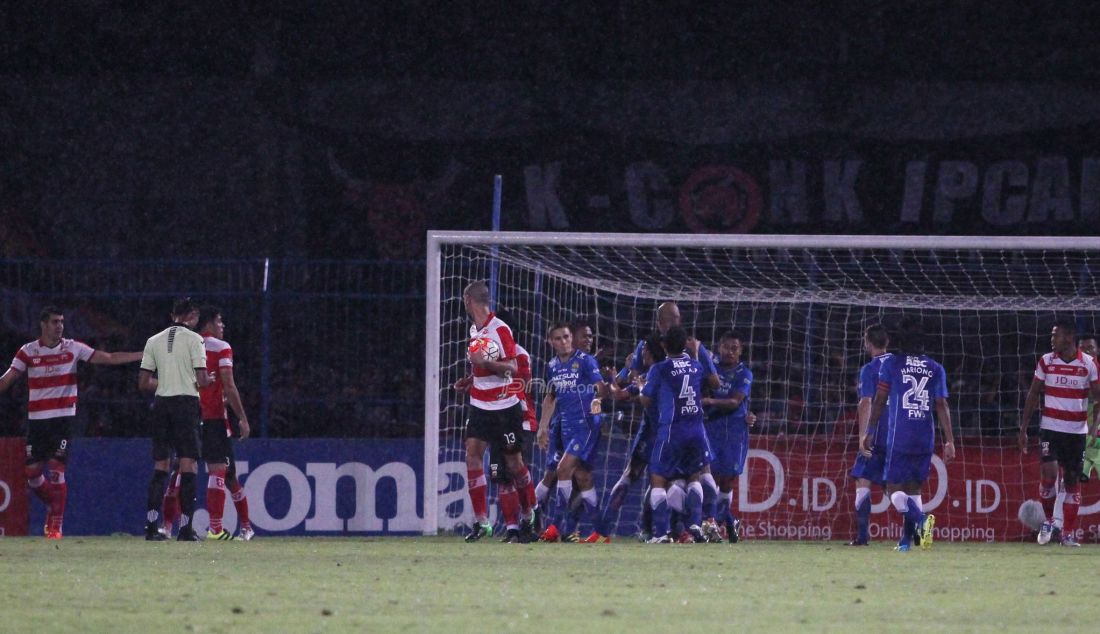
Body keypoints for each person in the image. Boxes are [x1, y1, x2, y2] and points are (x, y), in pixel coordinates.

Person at [0, 306, 142, 539]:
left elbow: (108, 358)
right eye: (55, 322)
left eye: (62, 322)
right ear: (43, 325)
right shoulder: (27, 351)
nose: (60, 326)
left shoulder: (73, 348)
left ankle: (56, 524)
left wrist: (141, 355)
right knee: (32, 473)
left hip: (63, 419)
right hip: (37, 422)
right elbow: (7, 380)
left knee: (57, 469)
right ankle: (52, 505)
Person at [865, 318, 955, 552]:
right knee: (914, 489)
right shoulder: (935, 367)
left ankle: (922, 520)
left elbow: (880, 400)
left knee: (893, 490)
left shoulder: (892, 364)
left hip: (900, 436)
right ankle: (906, 542)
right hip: (925, 437)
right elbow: (942, 405)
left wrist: (871, 430)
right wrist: (950, 441)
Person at [451, 281, 530, 542]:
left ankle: (529, 513)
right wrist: (471, 379)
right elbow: (482, 368)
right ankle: (481, 521)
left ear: (468, 300)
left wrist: (484, 362)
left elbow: (512, 368)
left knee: (513, 464)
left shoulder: (500, 329)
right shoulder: (475, 330)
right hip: (480, 405)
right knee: (472, 455)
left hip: (504, 408)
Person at [1018, 320, 1100, 547]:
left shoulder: (1089, 364)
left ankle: (1068, 533)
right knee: (1049, 474)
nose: (1052, 339)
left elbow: (1098, 397)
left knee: (1072, 481)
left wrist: (1093, 427)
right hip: (1050, 430)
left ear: (1069, 337)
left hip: (1076, 433)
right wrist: (1023, 428)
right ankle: (1050, 521)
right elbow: (1034, 394)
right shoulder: (1046, 361)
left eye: (1056, 335)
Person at [139, 298, 213, 541]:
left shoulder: (153, 340)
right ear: (192, 316)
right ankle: (184, 529)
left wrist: (167, 383)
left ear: (173, 315)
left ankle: (151, 527)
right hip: (185, 405)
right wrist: (207, 381)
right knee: (188, 465)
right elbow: (201, 380)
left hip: (161, 405)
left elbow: (143, 382)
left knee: (161, 466)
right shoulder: (195, 340)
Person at [536, 321, 608, 542]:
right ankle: (602, 532)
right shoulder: (552, 366)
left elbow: (601, 388)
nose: (564, 342)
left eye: (566, 337)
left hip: (585, 425)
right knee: (582, 476)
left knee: (562, 469)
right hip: (566, 426)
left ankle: (554, 527)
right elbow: (550, 397)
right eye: (558, 338)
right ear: (551, 342)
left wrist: (595, 407)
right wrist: (542, 427)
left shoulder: (586, 361)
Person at [639, 327, 712, 543]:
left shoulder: (660, 369)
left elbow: (646, 400)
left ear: (663, 346)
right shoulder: (696, 365)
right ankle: (696, 525)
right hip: (697, 430)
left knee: (658, 479)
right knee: (693, 477)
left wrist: (642, 386)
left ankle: (661, 534)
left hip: (672, 431)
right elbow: (700, 378)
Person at [192, 305, 253, 540]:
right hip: (214, 418)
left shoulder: (189, 346)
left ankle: (167, 526)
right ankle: (217, 529)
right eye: (219, 322)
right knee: (220, 472)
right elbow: (229, 383)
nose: (222, 326)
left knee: (185, 470)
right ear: (209, 324)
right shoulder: (221, 348)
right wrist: (242, 418)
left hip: (191, 416)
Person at [701, 332, 754, 543]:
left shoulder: (744, 373)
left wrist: (709, 401)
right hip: (710, 427)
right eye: (726, 347)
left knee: (727, 481)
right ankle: (715, 522)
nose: (730, 352)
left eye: (734, 348)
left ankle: (724, 521)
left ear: (740, 352)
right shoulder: (710, 366)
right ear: (719, 347)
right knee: (709, 477)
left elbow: (734, 401)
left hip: (734, 431)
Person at [846, 324, 891, 546]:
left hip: (876, 432)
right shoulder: (899, 365)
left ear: (867, 343)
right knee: (893, 486)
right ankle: (920, 524)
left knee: (863, 480)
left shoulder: (870, 369)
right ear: (887, 342)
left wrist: (864, 435)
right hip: (899, 431)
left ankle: (862, 536)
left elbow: (866, 402)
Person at [1078, 334, 1100, 483]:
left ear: (1097, 350)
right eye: (1082, 348)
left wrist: (1094, 425)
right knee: (1072, 477)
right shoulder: (1074, 372)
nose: (1086, 351)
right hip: (1078, 426)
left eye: (1090, 348)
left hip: (1094, 425)